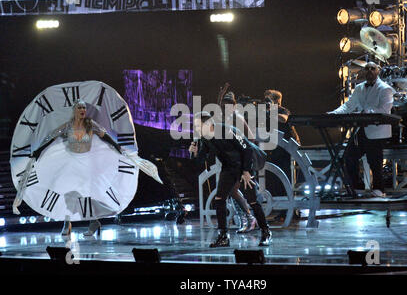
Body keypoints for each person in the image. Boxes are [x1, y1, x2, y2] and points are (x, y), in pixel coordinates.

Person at [13, 100, 162, 236]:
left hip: (87, 163)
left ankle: (94, 222)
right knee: (67, 193)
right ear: (75, 110)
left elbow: (105, 136)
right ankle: (67, 223)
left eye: (84, 107)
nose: (82, 109)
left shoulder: (91, 124)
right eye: (80, 107)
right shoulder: (68, 125)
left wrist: (117, 147)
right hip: (71, 162)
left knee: (90, 193)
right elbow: (51, 138)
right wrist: (39, 151)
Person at [189, 112, 271, 247]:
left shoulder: (227, 130)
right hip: (228, 168)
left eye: (198, 125)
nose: (196, 129)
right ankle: (223, 236)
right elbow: (200, 162)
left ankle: (266, 232)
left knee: (253, 201)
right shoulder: (205, 138)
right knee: (219, 199)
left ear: (209, 124)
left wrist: (246, 171)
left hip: (244, 166)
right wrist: (193, 153)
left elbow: (247, 149)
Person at [328, 62, 395, 197]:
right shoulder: (359, 88)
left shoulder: (385, 88)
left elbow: (384, 109)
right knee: (349, 156)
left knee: (374, 160)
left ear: (378, 71)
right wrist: (334, 114)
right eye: (367, 68)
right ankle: (356, 186)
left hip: (377, 132)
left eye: (372, 68)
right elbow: (348, 106)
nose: (369, 71)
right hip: (361, 130)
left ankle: (379, 189)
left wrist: (366, 112)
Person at [219, 91, 257, 233]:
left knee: (232, 189)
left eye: (229, 105)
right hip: (232, 161)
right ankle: (247, 218)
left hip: (242, 160)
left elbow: (251, 139)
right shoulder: (225, 119)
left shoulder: (237, 118)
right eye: (224, 105)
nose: (226, 108)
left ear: (234, 106)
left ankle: (249, 218)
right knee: (230, 190)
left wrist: (241, 148)